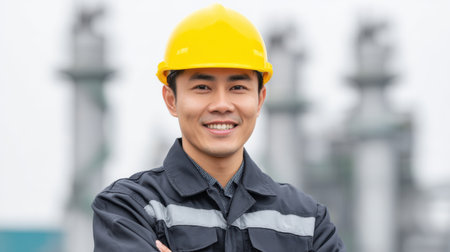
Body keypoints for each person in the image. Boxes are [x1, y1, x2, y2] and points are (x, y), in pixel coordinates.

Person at [92, 3, 345, 252]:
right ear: (171, 99)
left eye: (237, 88)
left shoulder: (306, 220)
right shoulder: (130, 208)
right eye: (202, 87)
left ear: (259, 99)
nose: (222, 105)